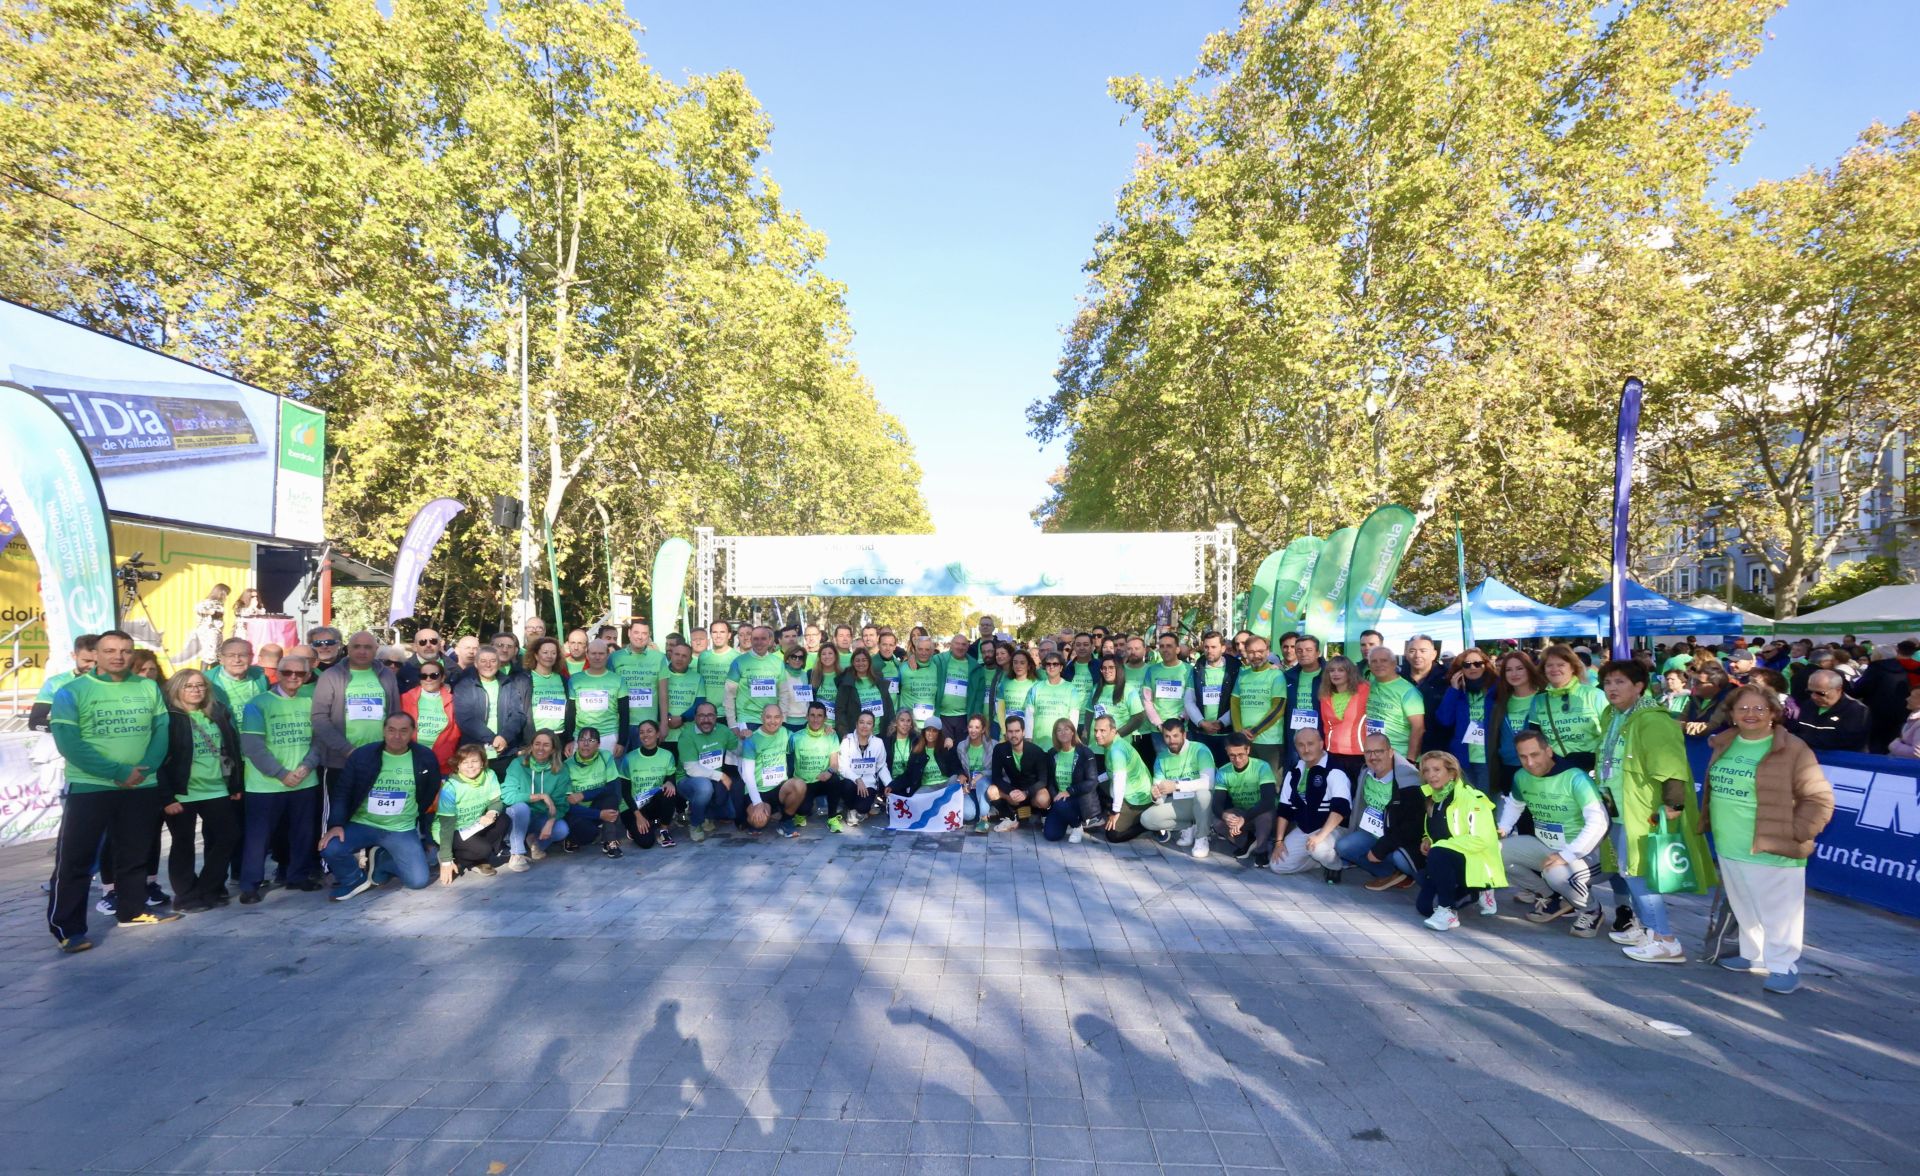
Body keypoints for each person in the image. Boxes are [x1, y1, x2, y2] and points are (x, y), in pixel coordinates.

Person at [46, 630, 178, 952]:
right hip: (92, 787)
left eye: (125, 650)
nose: (118, 656)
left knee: (134, 853)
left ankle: (132, 910)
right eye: (110, 650)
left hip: (141, 786)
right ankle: (68, 928)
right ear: (97, 654)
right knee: (76, 859)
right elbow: (69, 743)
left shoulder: (147, 687)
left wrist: (144, 769)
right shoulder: (71, 692)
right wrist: (118, 772)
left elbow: (161, 732)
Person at [1700, 684, 1835, 995]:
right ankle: (1753, 954)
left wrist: (1798, 832)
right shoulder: (1725, 743)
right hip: (1730, 843)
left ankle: (1784, 965)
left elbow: (1819, 798)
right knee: (1744, 904)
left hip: (1773, 845)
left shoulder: (1793, 749)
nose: (1751, 714)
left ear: (1774, 713)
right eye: (1743, 708)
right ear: (1731, 714)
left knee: (1780, 911)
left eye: (1760, 709)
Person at [1593, 658, 1714, 964]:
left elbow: (1671, 765)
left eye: (1620, 682)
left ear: (1639, 686)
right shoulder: (1613, 715)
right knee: (1628, 869)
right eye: (1608, 682)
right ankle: (1647, 929)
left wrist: (1673, 804)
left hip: (1643, 809)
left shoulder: (1653, 719)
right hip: (1618, 806)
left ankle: (1665, 939)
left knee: (1638, 874)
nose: (1612, 688)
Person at [319, 712, 441, 901]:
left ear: (412, 733)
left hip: (400, 829)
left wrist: (415, 817)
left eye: (403, 731)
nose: (397, 736)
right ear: (383, 731)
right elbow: (343, 791)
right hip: (363, 823)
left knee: (418, 881)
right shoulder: (363, 755)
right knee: (330, 846)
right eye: (391, 730)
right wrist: (336, 824)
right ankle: (353, 880)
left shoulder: (425, 757)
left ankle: (382, 861)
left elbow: (430, 791)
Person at [1499, 731, 1609, 937]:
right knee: (1494, 851)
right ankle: (1554, 897)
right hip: (1550, 848)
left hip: (1592, 853)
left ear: (1548, 751)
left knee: (1557, 874)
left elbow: (1599, 821)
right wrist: (1503, 828)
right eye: (1523, 757)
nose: (1529, 762)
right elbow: (1515, 804)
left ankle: (1591, 909)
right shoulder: (1521, 776)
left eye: (1535, 754)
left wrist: (1567, 855)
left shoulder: (1576, 777)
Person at [236, 654, 324, 902]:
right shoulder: (258, 704)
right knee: (258, 838)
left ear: (308, 676)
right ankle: (250, 884)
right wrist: (281, 773)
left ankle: (298, 875)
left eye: (300, 673)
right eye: (287, 673)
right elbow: (253, 746)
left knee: (303, 833)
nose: (294, 677)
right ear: (278, 674)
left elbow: (318, 741)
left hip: (304, 780)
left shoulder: (311, 703)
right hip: (266, 785)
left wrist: (307, 767)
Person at [158, 669, 244, 912]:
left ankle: (208, 888)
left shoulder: (217, 713)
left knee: (228, 836)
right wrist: (166, 797)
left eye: (200, 685)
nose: (195, 690)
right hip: (182, 792)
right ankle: (185, 896)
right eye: (188, 686)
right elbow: (158, 759)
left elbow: (232, 748)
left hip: (216, 788)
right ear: (176, 689)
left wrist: (235, 783)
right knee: (183, 843)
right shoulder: (169, 717)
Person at [1412, 751, 1505, 932]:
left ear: (1452, 773)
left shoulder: (1473, 799)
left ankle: (1457, 906)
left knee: (1439, 855)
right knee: (1424, 907)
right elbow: (1434, 828)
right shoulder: (1432, 797)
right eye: (1426, 770)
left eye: (1437, 769)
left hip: (1475, 862)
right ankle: (1458, 897)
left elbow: (1482, 839)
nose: (1431, 775)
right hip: (1448, 858)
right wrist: (1427, 839)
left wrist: (1440, 846)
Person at [310, 630, 398, 801]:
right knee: (336, 815)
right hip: (340, 761)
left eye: (367, 647)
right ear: (347, 649)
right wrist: (347, 750)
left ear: (376, 649)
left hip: (378, 758)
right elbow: (319, 718)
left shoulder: (387, 675)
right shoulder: (331, 676)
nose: (362, 651)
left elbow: (394, 714)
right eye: (356, 646)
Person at [1335, 734, 1426, 890]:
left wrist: (1381, 849)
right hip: (1373, 832)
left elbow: (1411, 828)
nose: (1373, 757)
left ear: (1391, 752)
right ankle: (1391, 874)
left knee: (1400, 858)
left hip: (1402, 839)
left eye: (1379, 751)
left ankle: (1413, 875)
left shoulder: (1409, 782)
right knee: (1344, 847)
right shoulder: (1365, 773)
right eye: (1368, 752)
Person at [1268, 727, 1350, 879]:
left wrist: (1321, 836)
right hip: (1306, 829)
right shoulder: (1295, 771)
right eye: (1301, 745)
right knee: (1278, 865)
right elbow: (1284, 809)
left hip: (1334, 829)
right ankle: (1318, 860)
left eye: (1310, 744)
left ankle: (1335, 865)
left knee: (1318, 847)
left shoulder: (1334, 770)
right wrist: (1279, 842)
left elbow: (1340, 809)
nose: (1306, 749)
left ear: (1321, 744)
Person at [435, 744, 508, 881]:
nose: (470, 766)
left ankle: (474, 859)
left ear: (482, 763)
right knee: (484, 849)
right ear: (458, 765)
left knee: (503, 820)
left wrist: (491, 813)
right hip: (452, 830)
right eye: (465, 762)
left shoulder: (489, 775)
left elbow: (496, 801)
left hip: (475, 824)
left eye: (474, 761)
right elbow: (446, 826)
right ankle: (456, 857)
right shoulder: (450, 787)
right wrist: (446, 859)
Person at [1144, 717, 1216, 854]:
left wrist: (1177, 785)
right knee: (1147, 819)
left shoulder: (1200, 750)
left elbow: (1209, 782)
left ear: (1184, 734)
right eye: (1167, 736)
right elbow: (1160, 798)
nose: (1172, 741)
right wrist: (1156, 795)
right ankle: (1190, 826)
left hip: (1203, 802)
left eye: (1176, 736)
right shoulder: (1161, 758)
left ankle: (1202, 837)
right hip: (1180, 801)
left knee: (1203, 794)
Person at [500, 730, 570, 869]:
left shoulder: (561, 770)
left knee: (562, 829)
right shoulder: (518, 764)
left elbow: (561, 804)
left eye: (546, 745)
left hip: (540, 816)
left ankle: (533, 843)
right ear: (531, 746)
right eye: (537, 744)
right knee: (521, 808)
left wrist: (550, 821)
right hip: (518, 817)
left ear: (553, 749)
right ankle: (517, 854)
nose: (540, 748)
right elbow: (507, 796)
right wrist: (540, 796)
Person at [556, 726, 632, 854]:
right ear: (577, 743)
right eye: (582, 740)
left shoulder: (605, 756)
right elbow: (568, 805)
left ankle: (610, 840)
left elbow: (611, 787)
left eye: (591, 740)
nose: (586, 744)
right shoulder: (567, 765)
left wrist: (583, 795)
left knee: (611, 797)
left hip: (599, 805)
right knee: (589, 835)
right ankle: (574, 837)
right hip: (580, 812)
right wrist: (598, 815)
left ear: (598, 744)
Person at [675, 702, 742, 841]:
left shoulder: (723, 731)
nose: (706, 719)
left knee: (731, 813)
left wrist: (745, 739)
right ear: (695, 718)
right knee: (705, 788)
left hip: (714, 778)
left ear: (716, 717)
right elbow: (692, 769)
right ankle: (695, 823)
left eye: (710, 715)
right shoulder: (686, 736)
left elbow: (738, 751)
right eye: (701, 716)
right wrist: (722, 775)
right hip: (689, 780)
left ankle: (704, 813)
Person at [1208, 733, 1277, 864]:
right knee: (1217, 822)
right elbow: (1217, 804)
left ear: (1248, 750)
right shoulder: (1223, 771)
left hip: (1261, 812)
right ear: (1227, 752)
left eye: (1241, 754)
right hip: (1241, 812)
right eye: (1232, 755)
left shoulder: (1262, 767)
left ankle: (1261, 851)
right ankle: (1248, 842)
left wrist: (1243, 818)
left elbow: (1268, 801)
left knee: (1265, 816)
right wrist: (1225, 816)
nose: (1237, 759)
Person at [1095, 714, 1157, 844]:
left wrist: (1115, 811)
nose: (1097, 735)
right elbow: (1110, 772)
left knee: (1112, 835)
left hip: (1137, 799)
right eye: (1096, 730)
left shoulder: (1116, 751)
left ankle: (1147, 824)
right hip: (1129, 792)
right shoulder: (1112, 743)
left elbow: (1119, 781)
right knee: (1095, 783)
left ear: (1113, 731)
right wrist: (1093, 780)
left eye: (1102, 731)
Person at [620, 720, 683, 849]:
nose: (645, 735)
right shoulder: (629, 758)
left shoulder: (667, 755)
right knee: (646, 843)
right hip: (632, 807)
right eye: (642, 732)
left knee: (669, 791)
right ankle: (637, 826)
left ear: (658, 734)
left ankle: (663, 830)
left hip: (653, 802)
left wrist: (670, 782)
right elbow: (625, 792)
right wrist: (638, 816)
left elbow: (671, 777)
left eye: (649, 731)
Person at [1230, 635, 1289, 773]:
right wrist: (1239, 731)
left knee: (1271, 783)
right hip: (1245, 740)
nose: (1256, 655)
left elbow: (1278, 708)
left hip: (1269, 742)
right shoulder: (1243, 674)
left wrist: (1255, 731)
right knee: (1249, 782)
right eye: (1251, 652)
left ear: (1267, 652)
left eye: (1260, 651)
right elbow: (1234, 704)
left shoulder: (1276, 675)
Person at [1850, 641, 1920, 754]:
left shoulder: (1875, 668)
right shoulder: (1902, 667)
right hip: (1901, 710)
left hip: (1877, 712)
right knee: (1894, 739)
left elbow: (1859, 690)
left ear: (1878, 656)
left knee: (1877, 745)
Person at [1041, 717, 1102, 843]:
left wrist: (1070, 791)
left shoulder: (1085, 752)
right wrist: (1055, 795)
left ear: (1073, 732)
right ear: (1055, 734)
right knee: (1051, 835)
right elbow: (1051, 781)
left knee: (1061, 804)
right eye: (1059, 730)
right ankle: (1069, 821)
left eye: (1066, 729)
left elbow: (1092, 781)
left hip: (1079, 798)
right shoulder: (1053, 753)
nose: (1063, 732)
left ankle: (1077, 826)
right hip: (1060, 800)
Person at [986, 715, 1049, 832]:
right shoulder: (999, 749)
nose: (1013, 735)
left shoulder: (1036, 751)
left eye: (1017, 731)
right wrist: (1010, 791)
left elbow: (1043, 780)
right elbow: (996, 777)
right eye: (1010, 731)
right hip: (1013, 791)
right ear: (1006, 733)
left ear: (1024, 732)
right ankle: (1010, 817)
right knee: (991, 791)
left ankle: (1040, 815)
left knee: (1044, 798)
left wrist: (1026, 793)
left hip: (1032, 792)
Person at [1362, 646, 1426, 761]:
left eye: (1383, 660)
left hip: (1400, 757)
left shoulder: (1408, 691)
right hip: (1373, 755)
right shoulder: (1368, 686)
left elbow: (1418, 728)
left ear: (1394, 663)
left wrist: (1410, 760)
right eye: (1374, 661)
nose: (1378, 664)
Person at [400, 658, 462, 774]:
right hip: (410, 760)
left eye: (434, 675)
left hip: (442, 763)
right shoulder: (405, 699)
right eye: (424, 676)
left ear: (443, 678)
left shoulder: (453, 701)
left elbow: (455, 732)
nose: (428, 679)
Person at [567, 639, 628, 757]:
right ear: (587, 655)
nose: (597, 657)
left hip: (609, 736)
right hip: (580, 736)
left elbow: (624, 714)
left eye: (601, 654)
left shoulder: (618, 680)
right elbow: (570, 713)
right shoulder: (575, 680)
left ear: (607, 655)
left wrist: (621, 742)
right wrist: (570, 739)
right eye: (593, 653)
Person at [1186, 630, 1240, 763]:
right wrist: (1202, 722)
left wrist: (1221, 722)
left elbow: (1237, 702)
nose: (1209, 650)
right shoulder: (1196, 669)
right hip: (1201, 733)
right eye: (1206, 647)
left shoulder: (1236, 669)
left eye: (1214, 647)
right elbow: (1189, 700)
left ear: (1223, 648)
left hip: (1226, 733)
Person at [1316, 655, 1370, 782]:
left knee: (1356, 794)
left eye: (1341, 670)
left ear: (1349, 672)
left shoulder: (1365, 690)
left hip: (1359, 754)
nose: (1335, 674)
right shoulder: (1325, 695)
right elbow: (1326, 726)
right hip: (1333, 753)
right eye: (1332, 670)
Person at [1787, 670, 1870, 752]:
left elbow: (1845, 741)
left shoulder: (1856, 710)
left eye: (1820, 693)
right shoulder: (1807, 705)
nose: (1813, 696)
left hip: (1839, 762)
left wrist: (1802, 740)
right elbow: (1795, 729)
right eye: (1810, 691)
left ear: (1838, 689)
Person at [1140, 631, 1192, 756]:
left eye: (1169, 646)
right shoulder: (1151, 671)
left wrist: (1180, 721)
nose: (1165, 649)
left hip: (1182, 729)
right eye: (1162, 646)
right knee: (1165, 766)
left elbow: (1191, 699)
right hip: (1159, 730)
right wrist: (1159, 724)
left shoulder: (1188, 670)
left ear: (1177, 649)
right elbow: (1147, 701)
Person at [838, 709, 892, 827]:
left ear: (873, 726)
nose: (865, 726)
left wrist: (890, 784)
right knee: (846, 785)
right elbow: (843, 767)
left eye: (869, 723)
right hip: (851, 782)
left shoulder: (878, 743)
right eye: (862, 722)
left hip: (868, 784)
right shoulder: (847, 741)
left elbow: (881, 767)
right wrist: (857, 779)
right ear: (856, 724)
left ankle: (863, 809)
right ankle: (851, 809)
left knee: (862, 808)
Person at [1028, 650, 1082, 753]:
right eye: (1048, 664)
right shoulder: (1036, 687)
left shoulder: (1071, 688)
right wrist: (1028, 738)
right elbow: (1029, 715)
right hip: (1038, 744)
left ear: (1061, 667)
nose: (1051, 667)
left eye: (1055, 664)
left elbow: (1073, 717)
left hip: (1062, 743)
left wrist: (1070, 739)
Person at [837, 647, 894, 738]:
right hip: (856, 735)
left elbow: (889, 706)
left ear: (869, 662)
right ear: (853, 662)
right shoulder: (847, 683)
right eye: (857, 660)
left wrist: (891, 727)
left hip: (879, 733)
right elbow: (840, 711)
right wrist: (844, 733)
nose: (861, 663)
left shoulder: (879, 680)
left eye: (864, 660)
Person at [208, 637, 270, 717]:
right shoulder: (207, 682)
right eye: (231, 655)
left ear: (251, 657)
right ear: (221, 658)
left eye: (243, 655)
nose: (237, 660)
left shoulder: (261, 678)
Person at [1889, 684, 1920, 759]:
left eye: (1912, 697)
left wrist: (1894, 746)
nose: (1907, 699)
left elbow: (1916, 753)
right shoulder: (1914, 717)